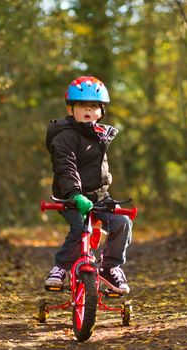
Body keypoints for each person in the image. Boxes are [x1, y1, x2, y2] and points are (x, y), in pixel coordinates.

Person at [44, 76, 133, 293]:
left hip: (100, 196)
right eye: (82, 105)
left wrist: (99, 195)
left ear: (101, 112)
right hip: (70, 196)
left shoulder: (101, 135)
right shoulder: (64, 136)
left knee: (122, 222)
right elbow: (66, 167)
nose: (88, 110)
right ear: (70, 109)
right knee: (81, 226)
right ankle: (61, 267)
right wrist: (75, 194)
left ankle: (110, 267)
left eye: (94, 106)